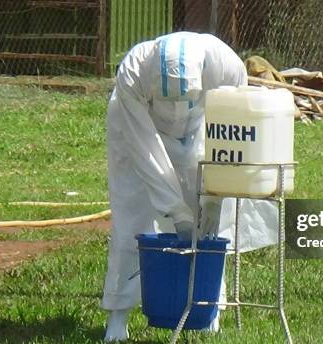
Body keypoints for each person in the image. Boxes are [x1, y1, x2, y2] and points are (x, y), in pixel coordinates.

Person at [103, 32, 279, 342]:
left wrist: (213, 196)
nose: (174, 106)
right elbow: (146, 152)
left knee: (215, 221)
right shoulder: (132, 72)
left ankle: (211, 307)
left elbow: (229, 137)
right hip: (138, 127)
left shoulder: (227, 67)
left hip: (201, 127)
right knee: (133, 214)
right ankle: (119, 316)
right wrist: (176, 211)